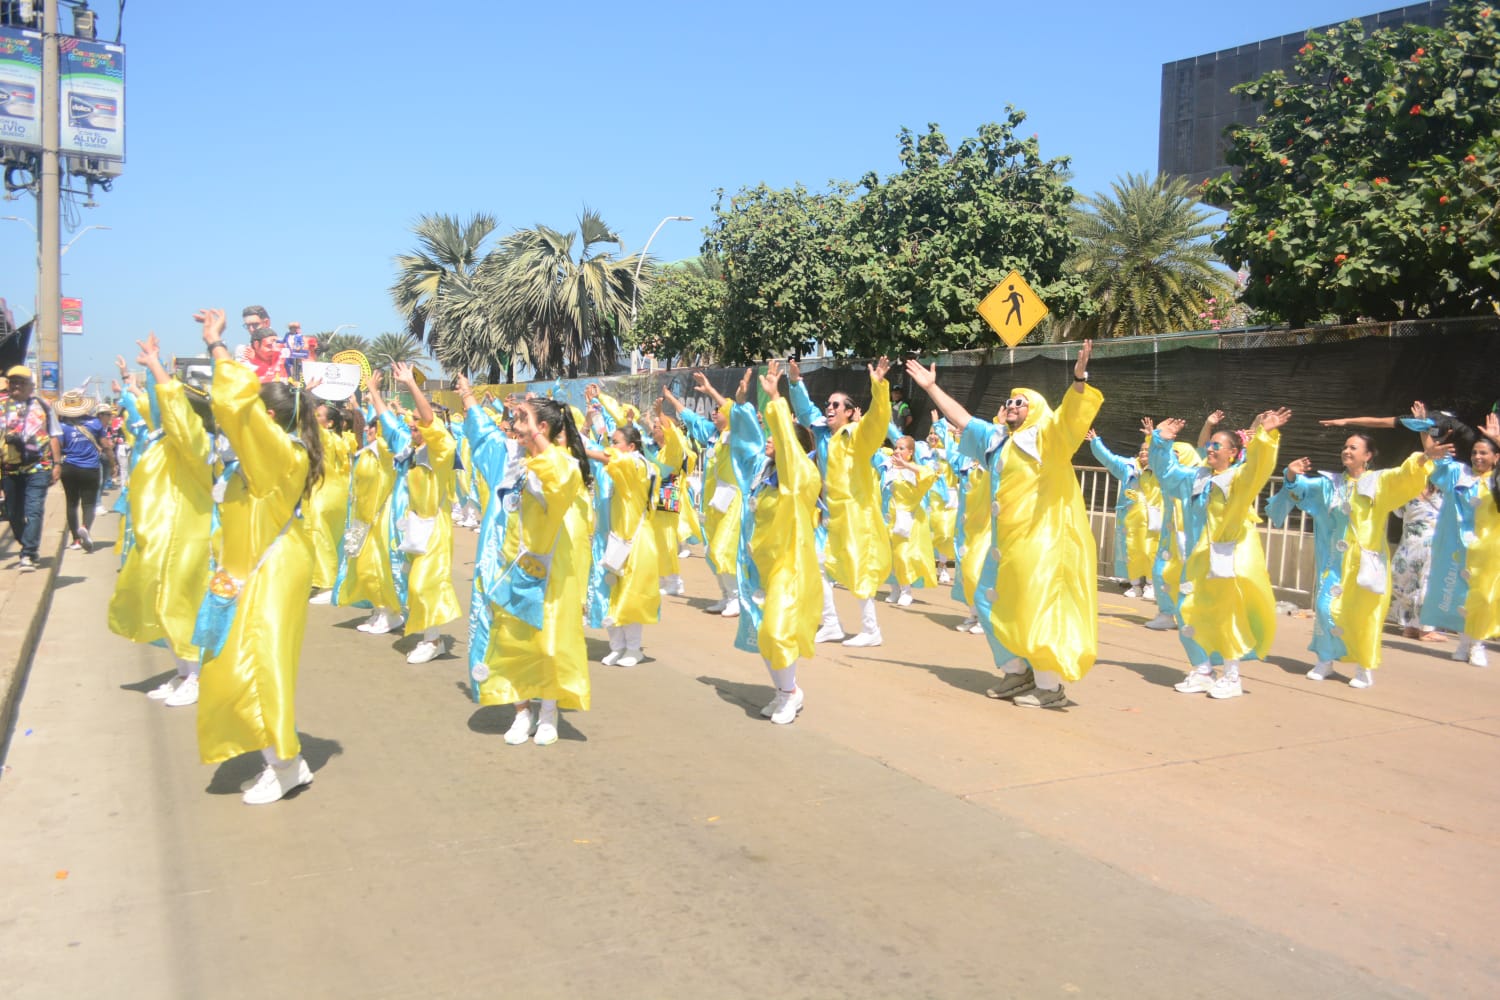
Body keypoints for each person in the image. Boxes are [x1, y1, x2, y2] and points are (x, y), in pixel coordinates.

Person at [906, 343, 1102, 708]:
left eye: (1021, 402)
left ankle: (1049, 686)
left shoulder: (1048, 439)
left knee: (1035, 607)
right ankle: (1016, 671)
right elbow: (963, 419)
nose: (1012, 406)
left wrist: (1079, 378)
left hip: (1039, 543)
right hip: (1006, 544)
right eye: (1009, 402)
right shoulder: (997, 441)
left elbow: (1072, 415)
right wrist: (931, 388)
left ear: (1036, 411)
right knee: (986, 598)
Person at [193, 307, 325, 805]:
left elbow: (237, 406)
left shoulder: (278, 453)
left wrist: (217, 346)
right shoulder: (266, 453)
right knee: (235, 661)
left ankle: (285, 765)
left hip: (272, 569)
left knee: (261, 662)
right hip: (251, 566)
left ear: (269, 420)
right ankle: (283, 755)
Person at [1272, 430, 1448, 687]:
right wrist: (1290, 473)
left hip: (1367, 561)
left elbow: (1404, 475)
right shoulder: (1330, 483)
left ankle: (1364, 666)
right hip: (1336, 561)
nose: (1347, 451)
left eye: (1353, 447)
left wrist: (1422, 459)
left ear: (1367, 455)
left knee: (1365, 614)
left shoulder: (1379, 481)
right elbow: (1301, 489)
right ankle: (1325, 659)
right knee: (1324, 608)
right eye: (1345, 446)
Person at [475, 396, 593, 747]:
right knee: (515, 643)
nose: (516, 425)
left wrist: (536, 435)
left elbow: (562, 474)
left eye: (523, 419)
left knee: (550, 644)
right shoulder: (515, 461)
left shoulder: (561, 466)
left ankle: (548, 713)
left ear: (542, 428)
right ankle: (521, 713)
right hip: (513, 565)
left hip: (551, 569)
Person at [1151, 408, 1291, 699]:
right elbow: (1166, 474)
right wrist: (1161, 441)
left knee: (1226, 616)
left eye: (1217, 445)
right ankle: (1202, 670)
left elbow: (1260, 464)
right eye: (1210, 444)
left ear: (1233, 452)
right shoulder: (1196, 477)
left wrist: (1266, 436)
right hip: (1196, 561)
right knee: (1187, 612)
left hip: (1223, 560)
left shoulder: (1239, 479)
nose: (1211, 449)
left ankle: (1231, 676)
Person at [106, 333, 214, 707]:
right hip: (159, 538)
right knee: (160, 604)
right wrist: (151, 372)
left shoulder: (195, 442)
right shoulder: (160, 439)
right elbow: (154, 405)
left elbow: (174, 411)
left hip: (188, 539)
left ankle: (198, 675)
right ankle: (183, 671)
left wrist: (156, 368)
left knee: (183, 606)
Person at [728, 360, 822, 724]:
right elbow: (747, 441)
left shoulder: (802, 476)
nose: (770, 438)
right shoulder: (762, 471)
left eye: (777, 435)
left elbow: (787, 445)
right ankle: (785, 691)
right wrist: (742, 404)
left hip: (790, 565)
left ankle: (789, 694)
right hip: (760, 566)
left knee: (778, 628)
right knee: (763, 634)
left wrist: (777, 400)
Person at [787, 357, 893, 647]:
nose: (829, 408)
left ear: (849, 412)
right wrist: (796, 382)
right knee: (818, 565)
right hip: (828, 515)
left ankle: (872, 630)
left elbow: (876, 421)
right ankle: (831, 623)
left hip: (856, 515)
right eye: (829, 405)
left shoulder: (858, 436)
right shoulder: (823, 433)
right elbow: (805, 410)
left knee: (859, 569)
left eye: (836, 405)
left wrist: (879, 388)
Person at [369, 362, 461, 663]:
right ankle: (429, 634)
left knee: (426, 582)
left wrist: (411, 385)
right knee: (415, 583)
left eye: (416, 424)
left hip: (435, 525)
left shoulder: (442, 449)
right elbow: (388, 421)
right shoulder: (410, 448)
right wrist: (373, 392)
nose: (411, 427)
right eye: (411, 425)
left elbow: (431, 419)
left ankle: (433, 641)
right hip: (414, 525)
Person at [1423, 411, 1500, 667]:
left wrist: (1498, 440)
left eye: (1484, 453)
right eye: (1475, 453)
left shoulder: (1497, 482)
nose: (1478, 457)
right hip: (1459, 547)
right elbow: (1436, 461)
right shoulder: (1461, 475)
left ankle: (1477, 643)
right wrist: (1424, 429)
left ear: (1495, 458)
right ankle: (1466, 641)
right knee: (1461, 596)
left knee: (1484, 596)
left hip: (1489, 550)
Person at [584, 420, 661, 667]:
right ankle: (617, 646)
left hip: (635, 539)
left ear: (630, 446)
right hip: (618, 538)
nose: (611, 447)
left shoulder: (638, 464)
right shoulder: (628, 464)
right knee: (612, 592)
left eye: (615, 443)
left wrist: (582, 449)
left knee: (630, 594)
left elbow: (611, 460)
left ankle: (633, 648)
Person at [1087, 424, 1160, 601]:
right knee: (1132, 550)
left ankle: (1151, 584)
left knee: (1151, 550)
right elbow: (1109, 459)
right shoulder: (1129, 467)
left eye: (1147, 450)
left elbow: (1166, 456)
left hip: (1153, 518)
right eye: (1141, 450)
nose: (1143, 452)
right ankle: (1134, 584)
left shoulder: (1160, 470)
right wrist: (1096, 442)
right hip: (1131, 519)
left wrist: (1153, 437)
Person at [1, 365, 61, 570]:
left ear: (31, 386)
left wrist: (57, 464)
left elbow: (53, 435)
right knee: (13, 513)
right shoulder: (1, 406)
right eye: (13, 382)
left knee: (34, 510)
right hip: (10, 469)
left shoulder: (42, 406)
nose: (16, 385)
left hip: (38, 467)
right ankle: (28, 542)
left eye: (21, 382)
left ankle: (29, 553)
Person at [306, 401, 353, 604]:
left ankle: (326, 583)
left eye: (319, 416)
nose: (315, 419)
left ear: (330, 423)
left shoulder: (324, 436)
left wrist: (304, 395)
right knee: (332, 538)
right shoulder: (340, 440)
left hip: (323, 493)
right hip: (337, 493)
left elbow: (304, 423)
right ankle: (326, 579)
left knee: (320, 535)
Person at [884, 435, 937, 606]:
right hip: (889, 517)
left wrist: (907, 466)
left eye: (901, 448)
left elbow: (930, 474)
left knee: (903, 555)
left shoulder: (916, 471)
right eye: (896, 447)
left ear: (910, 452)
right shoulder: (889, 466)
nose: (897, 451)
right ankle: (895, 587)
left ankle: (906, 590)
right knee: (890, 555)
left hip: (907, 518)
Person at [1390, 484, 1445, 640]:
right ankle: (1425, 629)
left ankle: (1411, 626)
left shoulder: (1406, 489)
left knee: (1407, 582)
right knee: (1425, 583)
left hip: (1409, 541)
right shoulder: (1445, 491)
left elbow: (1398, 512)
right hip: (1429, 542)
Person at [54, 390, 105, 552]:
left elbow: (59, 446)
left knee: (71, 503)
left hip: (69, 467)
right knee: (89, 503)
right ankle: (85, 527)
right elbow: (105, 444)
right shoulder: (95, 423)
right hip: (90, 468)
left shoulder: (61, 426)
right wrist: (112, 461)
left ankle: (76, 540)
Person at [237, 305, 287, 383]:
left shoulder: (283, 346)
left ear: (267, 322)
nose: (251, 329)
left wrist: (256, 361)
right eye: (247, 325)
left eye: (255, 325)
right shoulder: (243, 350)